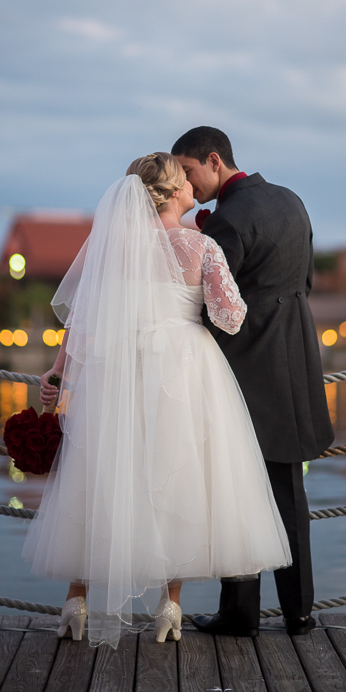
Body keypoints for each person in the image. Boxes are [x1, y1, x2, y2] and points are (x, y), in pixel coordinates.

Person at [24, 153, 290, 648]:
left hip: (118, 368)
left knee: (102, 472)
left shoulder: (114, 249)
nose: (192, 184)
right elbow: (231, 317)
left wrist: (57, 375)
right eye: (183, 179)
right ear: (170, 194)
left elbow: (80, 324)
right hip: (185, 366)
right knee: (177, 474)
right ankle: (170, 606)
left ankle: (76, 601)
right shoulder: (200, 246)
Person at [172, 126, 334, 637]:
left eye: (190, 171)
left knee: (237, 490)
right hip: (297, 356)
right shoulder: (292, 201)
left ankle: (240, 614)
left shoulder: (228, 221)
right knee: (289, 492)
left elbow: (213, 307)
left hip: (245, 366)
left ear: (214, 160)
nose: (187, 182)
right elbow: (304, 281)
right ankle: (300, 613)